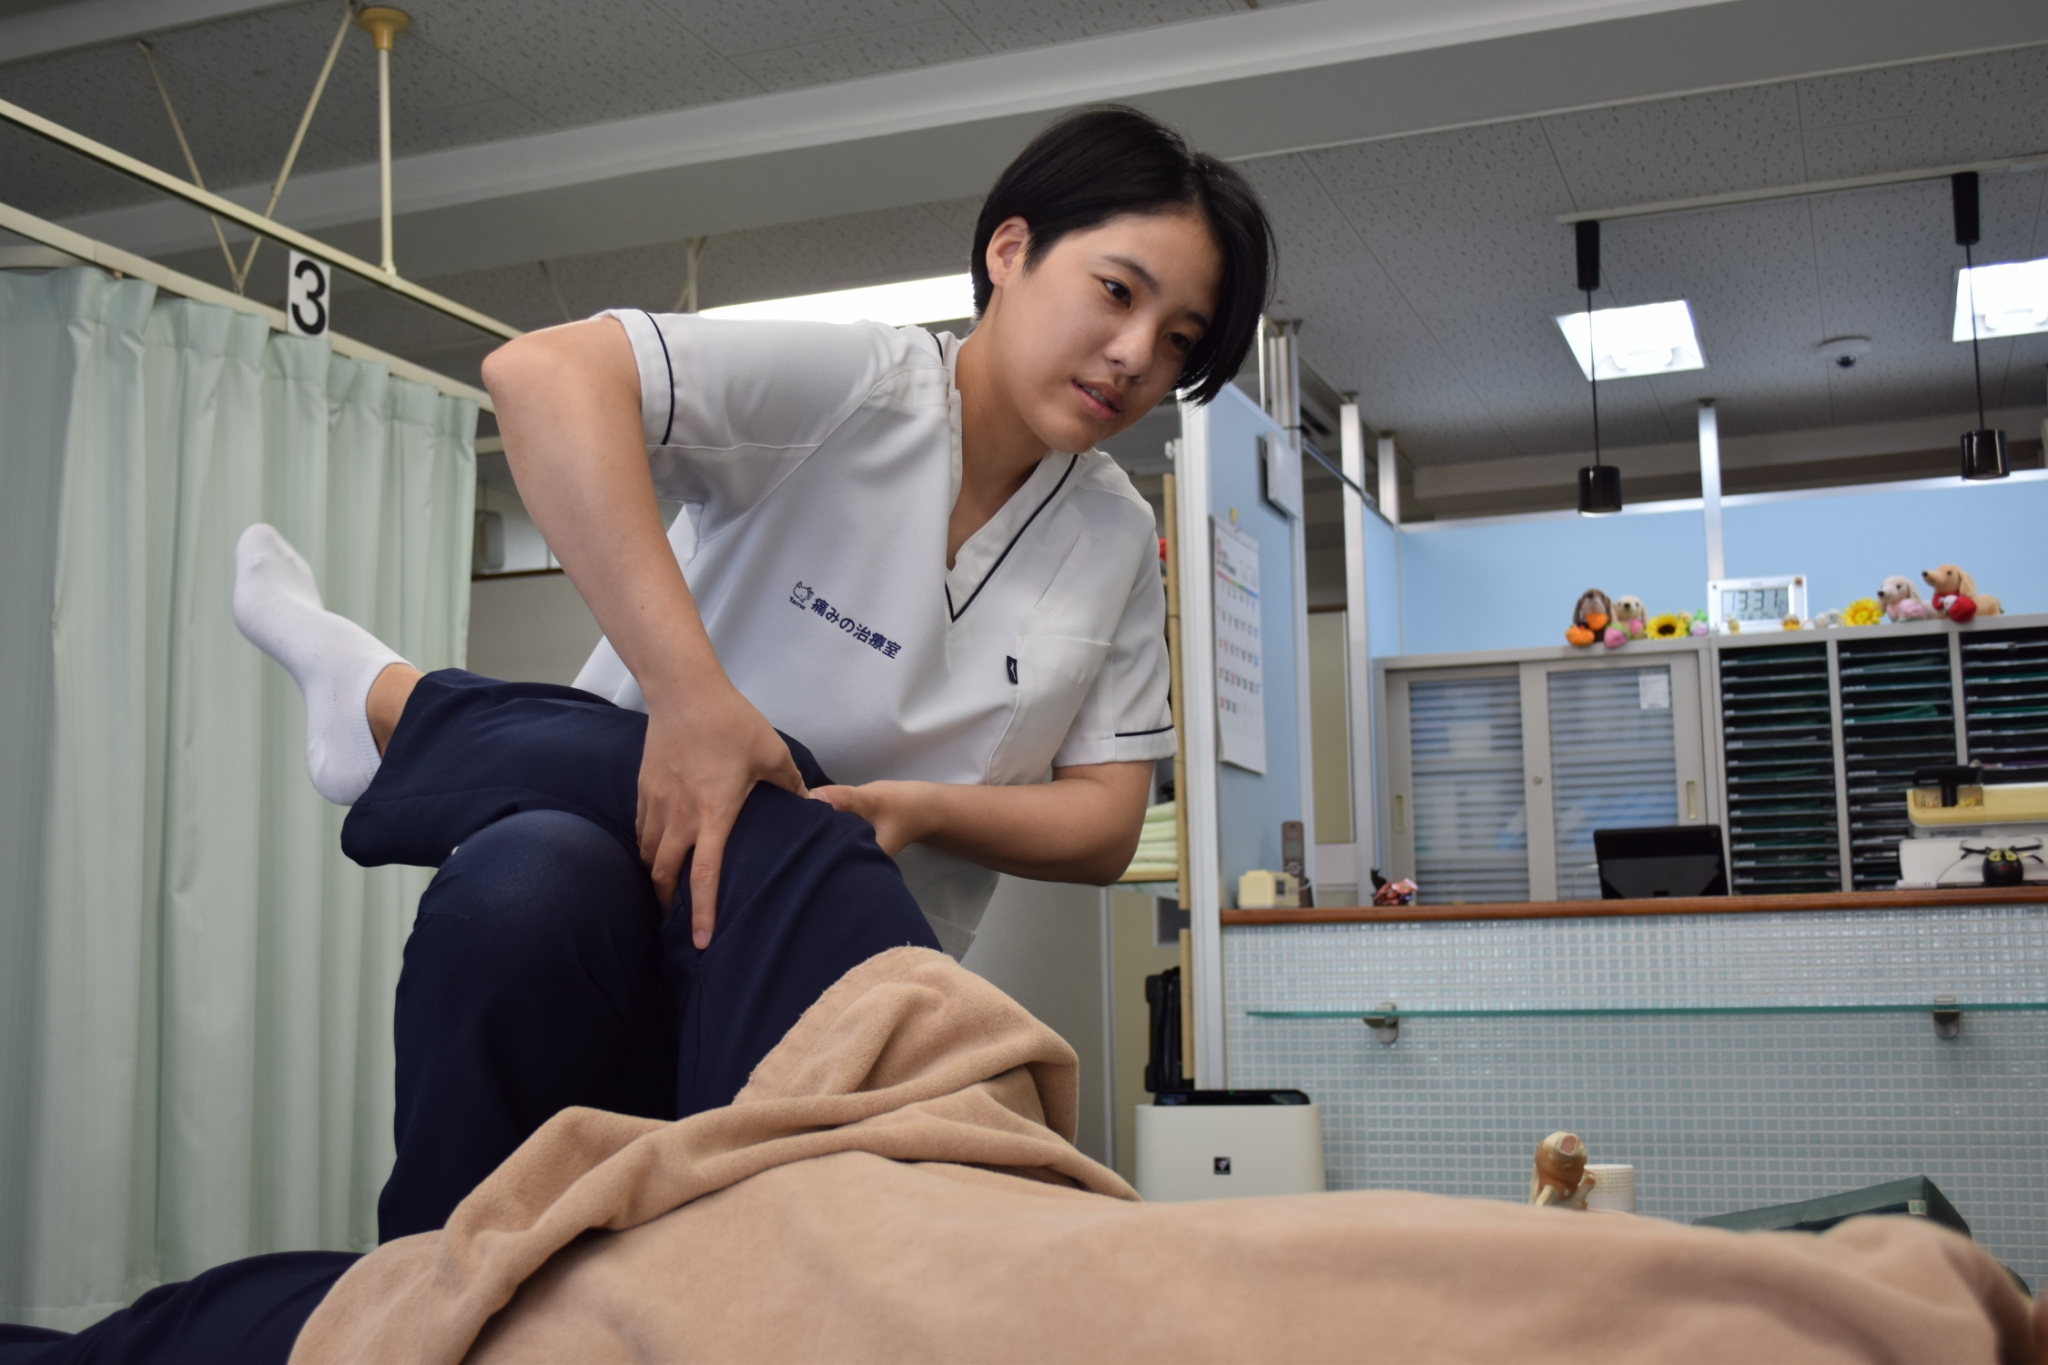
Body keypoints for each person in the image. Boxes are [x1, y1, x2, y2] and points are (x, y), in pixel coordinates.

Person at [250, 104, 1273, 1242]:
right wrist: (692, 702)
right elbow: (541, 376)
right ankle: (429, 1295)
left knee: (803, 817)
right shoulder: (858, 388)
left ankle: (399, 710)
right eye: (1118, 293)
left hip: (818, 992)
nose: (1137, 357)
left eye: (1180, 340)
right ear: (1010, 251)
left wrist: (908, 809)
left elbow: (1104, 826)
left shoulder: (1116, 540)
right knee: (521, 887)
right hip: (605, 872)